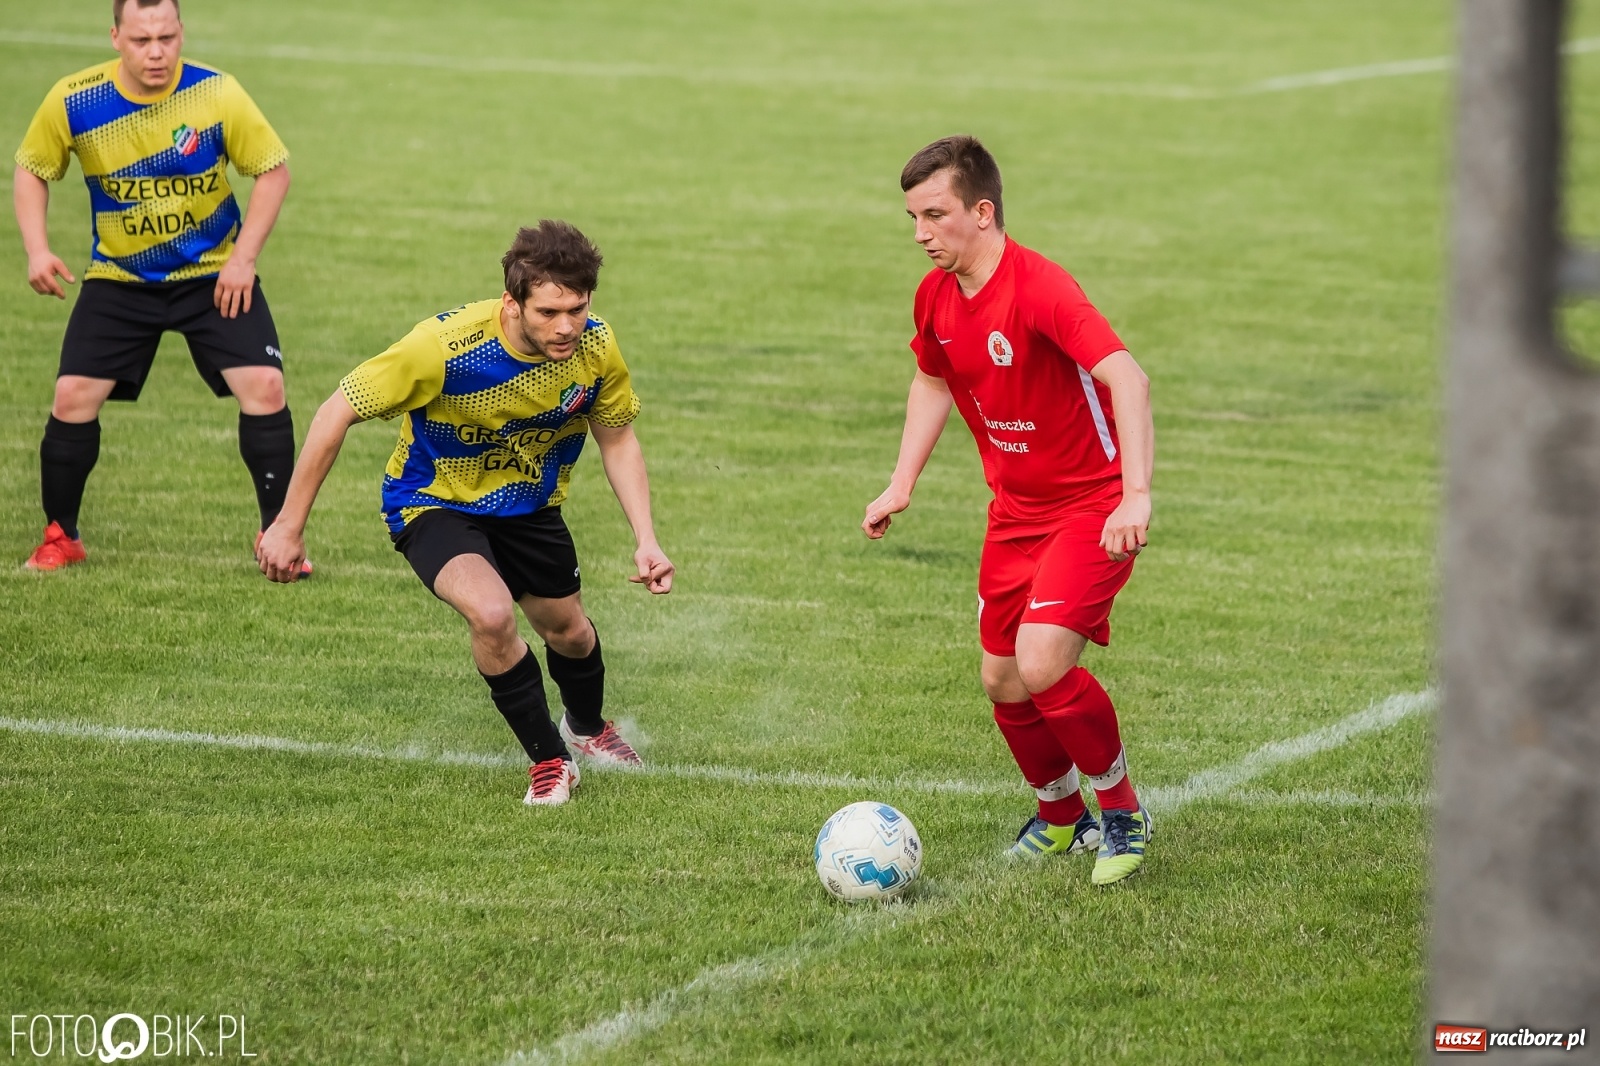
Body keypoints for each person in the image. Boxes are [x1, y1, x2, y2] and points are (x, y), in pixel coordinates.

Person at [257, 221, 673, 807]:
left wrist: (646, 538)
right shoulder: (443, 348)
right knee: (491, 614)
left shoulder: (596, 346)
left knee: (570, 633)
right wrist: (287, 525)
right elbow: (335, 412)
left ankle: (585, 727)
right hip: (434, 503)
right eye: (549, 312)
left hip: (530, 507)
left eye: (577, 309)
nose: (565, 326)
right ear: (512, 302)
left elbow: (618, 438)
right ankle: (550, 760)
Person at [863, 136, 1155, 886]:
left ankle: (1122, 812)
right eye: (912, 218)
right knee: (1003, 680)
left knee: (1043, 663)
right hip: (1015, 514)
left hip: (1091, 506)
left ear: (983, 212)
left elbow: (1128, 378)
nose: (920, 233)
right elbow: (933, 379)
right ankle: (1061, 817)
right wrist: (901, 482)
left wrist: (1135, 495)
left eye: (935, 215)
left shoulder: (1041, 289)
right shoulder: (935, 296)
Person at [13, 0, 308, 576]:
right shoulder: (76, 99)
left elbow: (273, 172)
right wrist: (37, 249)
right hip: (120, 279)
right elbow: (32, 168)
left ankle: (279, 537)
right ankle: (61, 536)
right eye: (142, 40)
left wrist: (243, 260)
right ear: (115, 37)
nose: (156, 52)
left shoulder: (216, 94)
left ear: (181, 34)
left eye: (167, 38)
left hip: (214, 274)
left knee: (266, 386)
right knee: (72, 397)